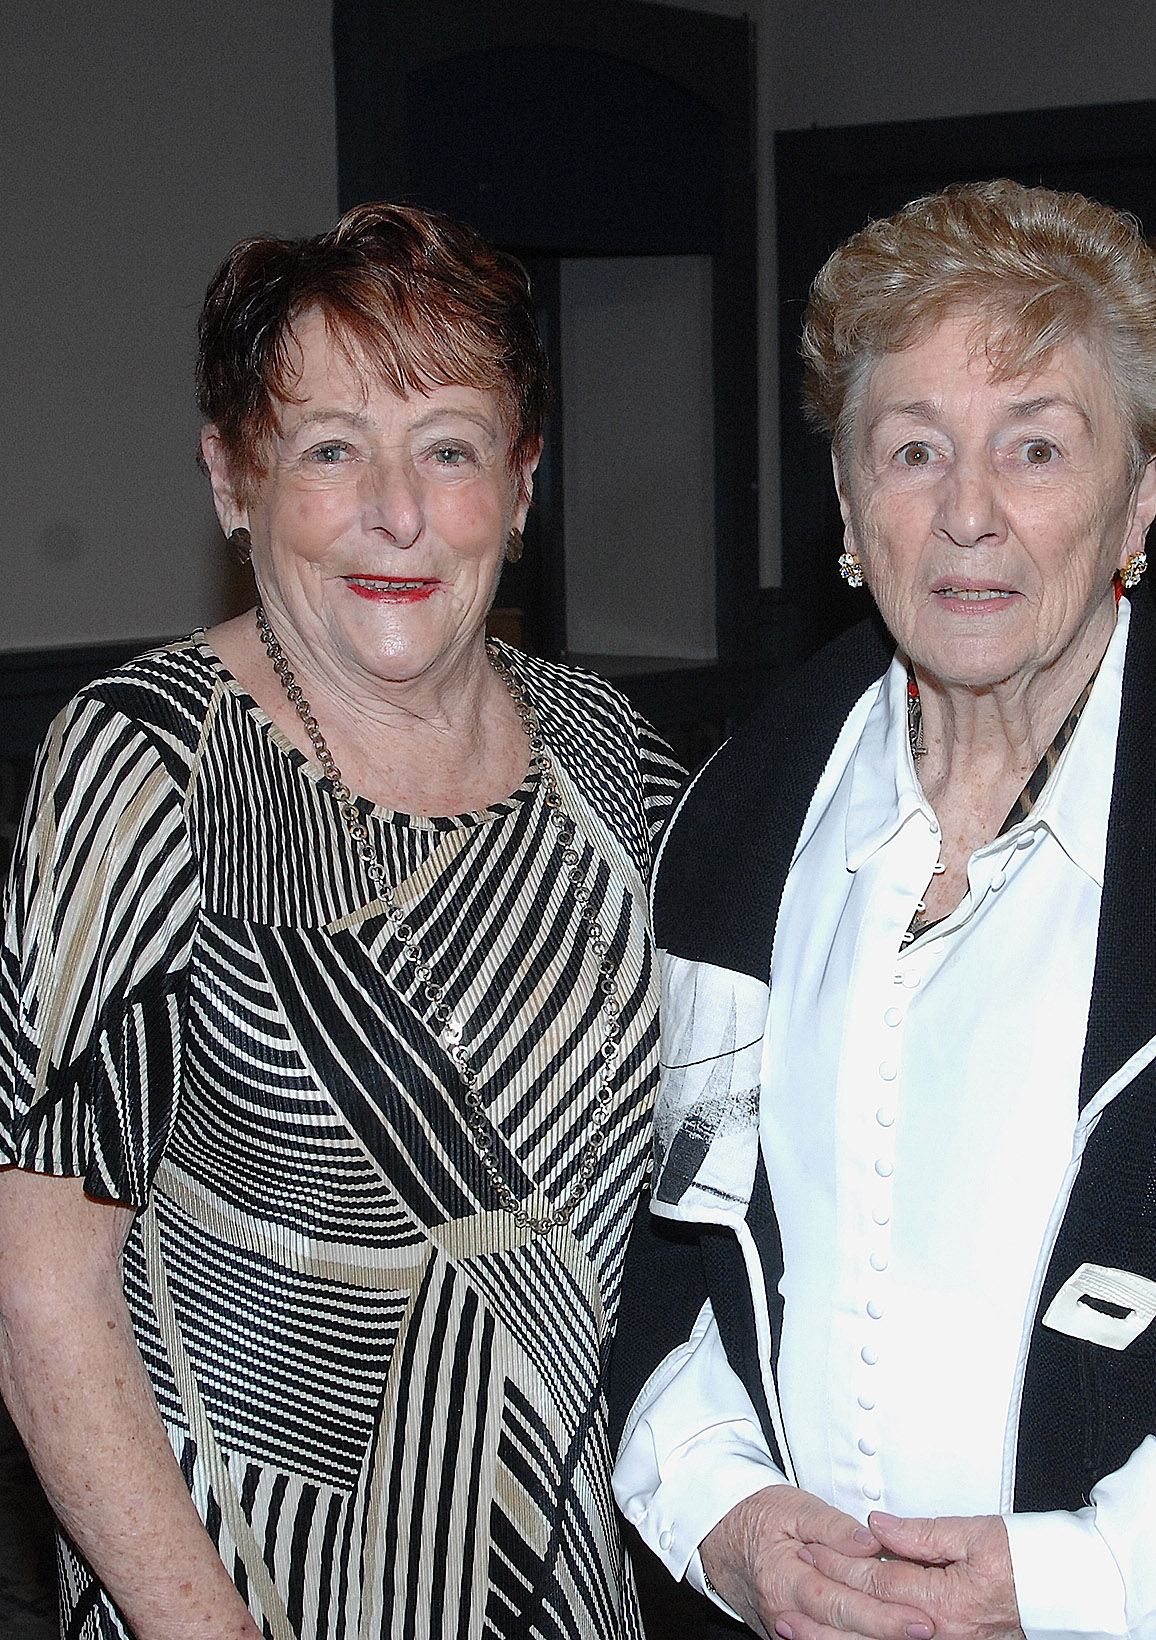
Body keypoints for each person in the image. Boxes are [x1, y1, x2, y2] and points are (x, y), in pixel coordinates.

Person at [610, 180, 1156, 1640]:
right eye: (914, 450)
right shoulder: (743, 808)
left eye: (1036, 447)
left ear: (1140, 493)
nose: (968, 514)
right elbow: (677, 1218)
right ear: (848, 500)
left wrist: (1082, 1581)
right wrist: (723, 1510)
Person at [0, 202, 682, 1640]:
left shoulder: (614, 760)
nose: (396, 512)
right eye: (328, 449)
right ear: (231, 480)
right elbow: (42, 1296)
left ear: (523, 481)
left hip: (561, 1587)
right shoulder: (149, 765)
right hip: (238, 1590)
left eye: (450, 448)